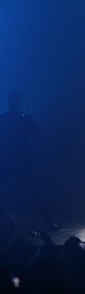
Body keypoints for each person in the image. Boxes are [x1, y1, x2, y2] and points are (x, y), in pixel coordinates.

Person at [0, 91, 57, 231]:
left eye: (17, 100)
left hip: (18, 159)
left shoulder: (19, 117)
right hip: (13, 159)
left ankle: (48, 221)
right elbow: (34, 131)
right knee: (34, 192)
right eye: (15, 100)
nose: (16, 102)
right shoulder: (10, 118)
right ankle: (48, 221)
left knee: (34, 191)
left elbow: (34, 131)